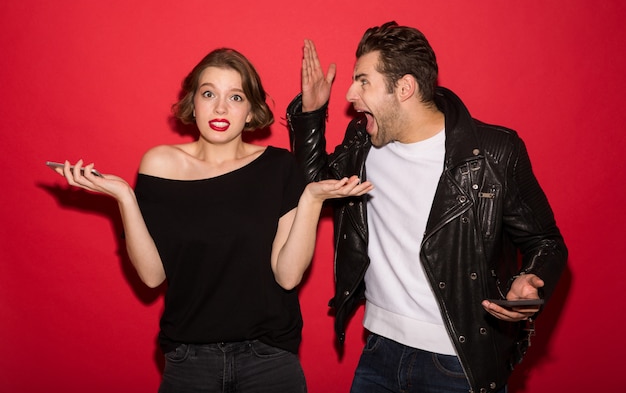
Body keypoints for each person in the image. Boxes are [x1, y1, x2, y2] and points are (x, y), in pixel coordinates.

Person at [50, 48, 373, 393]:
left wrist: (310, 198)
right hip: (189, 361)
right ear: (194, 103)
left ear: (251, 112)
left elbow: (288, 276)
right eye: (209, 94)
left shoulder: (279, 167)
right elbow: (151, 276)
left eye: (235, 97)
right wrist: (125, 199)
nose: (220, 108)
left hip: (269, 361)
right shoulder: (160, 165)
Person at [286, 22, 567, 393]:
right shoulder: (364, 142)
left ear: (404, 88)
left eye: (363, 81)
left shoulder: (493, 153)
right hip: (379, 351)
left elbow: (546, 241)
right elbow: (315, 185)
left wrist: (531, 279)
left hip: (457, 363)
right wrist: (311, 112)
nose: (351, 94)